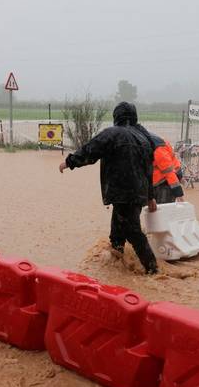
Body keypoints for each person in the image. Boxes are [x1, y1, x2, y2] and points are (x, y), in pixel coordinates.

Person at [58, 102, 159, 274]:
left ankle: (153, 270)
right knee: (118, 230)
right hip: (138, 193)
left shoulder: (112, 134)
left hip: (122, 191)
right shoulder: (145, 138)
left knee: (132, 231)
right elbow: (149, 169)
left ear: (116, 117)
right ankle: (117, 264)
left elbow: (90, 151)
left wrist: (69, 162)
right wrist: (150, 196)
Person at [138, 129, 185, 204]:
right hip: (155, 181)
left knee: (163, 209)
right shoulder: (142, 142)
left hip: (164, 181)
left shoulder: (158, 149)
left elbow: (169, 172)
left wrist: (178, 193)